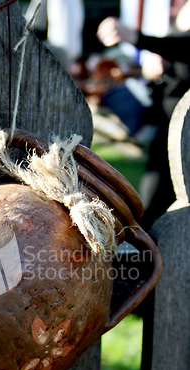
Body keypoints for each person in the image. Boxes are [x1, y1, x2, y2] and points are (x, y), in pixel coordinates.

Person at [97, 10, 190, 228]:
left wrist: (137, 39)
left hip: (185, 124)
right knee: (154, 207)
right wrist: (160, 58)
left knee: (162, 205)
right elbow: (177, 49)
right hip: (169, 120)